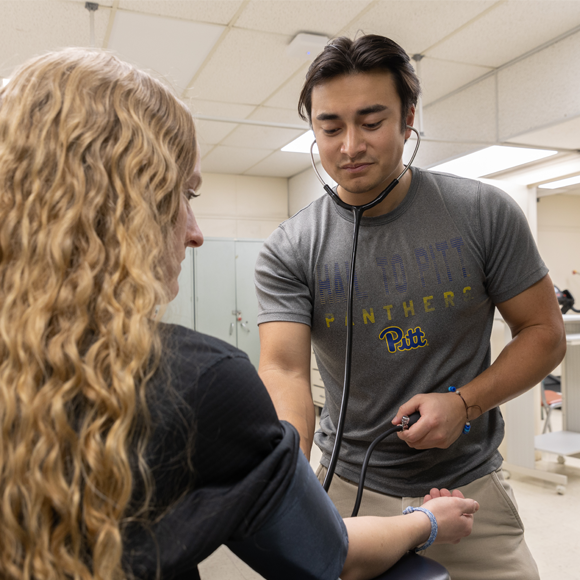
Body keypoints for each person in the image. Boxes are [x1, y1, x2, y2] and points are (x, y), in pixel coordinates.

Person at [0, 48, 479, 580]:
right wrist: (426, 521)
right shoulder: (195, 383)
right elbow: (328, 552)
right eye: (184, 194)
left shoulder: (479, 212)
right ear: (126, 207)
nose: (195, 231)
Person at [255, 34, 566, 580]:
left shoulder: (483, 214)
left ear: (409, 118)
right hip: (349, 490)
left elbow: (543, 331)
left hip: (469, 489)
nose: (350, 145)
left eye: (371, 122)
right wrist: (291, 476)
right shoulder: (291, 247)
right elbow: (284, 368)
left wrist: (466, 404)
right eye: (330, 127)